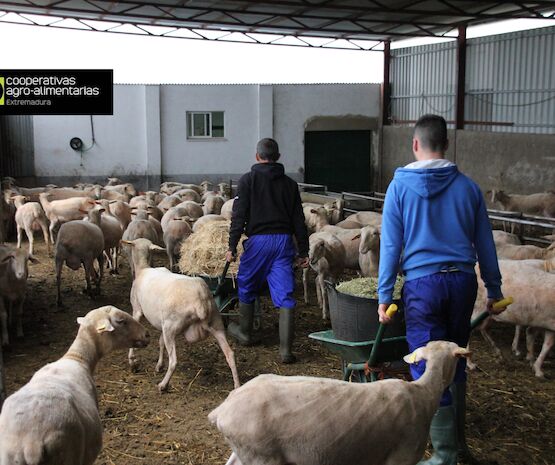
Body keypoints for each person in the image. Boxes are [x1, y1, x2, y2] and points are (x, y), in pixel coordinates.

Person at [377, 115, 507, 465]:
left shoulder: (399, 187)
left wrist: (384, 296)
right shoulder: (468, 188)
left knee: (426, 362)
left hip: (423, 285)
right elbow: (485, 243)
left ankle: (445, 454)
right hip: (462, 282)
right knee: (454, 357)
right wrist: (493, 289)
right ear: (446, 145)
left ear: (415, 145)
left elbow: (390, 246)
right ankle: (458, 445)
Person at [226, 138, 309, 363]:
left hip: (259, 242)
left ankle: (244, 333)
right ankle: (285, 351)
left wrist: (232, 246)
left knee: (246, 283)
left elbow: (239, 216)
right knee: (285, 294)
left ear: (256, 156)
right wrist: (303, 251)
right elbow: (299, 220)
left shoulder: (247, 181)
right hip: (283, 242)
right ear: (278, 157)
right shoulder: (290, 185)